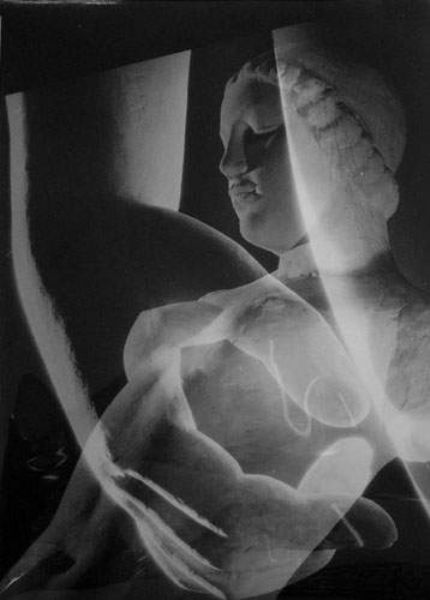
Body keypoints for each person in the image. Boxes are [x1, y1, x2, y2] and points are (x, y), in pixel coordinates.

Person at [1, 23, 424, 600]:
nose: (229, 165)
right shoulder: (228, 297)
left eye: (263, 133)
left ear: (344, 144)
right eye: (226, 140)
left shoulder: (408, 326)